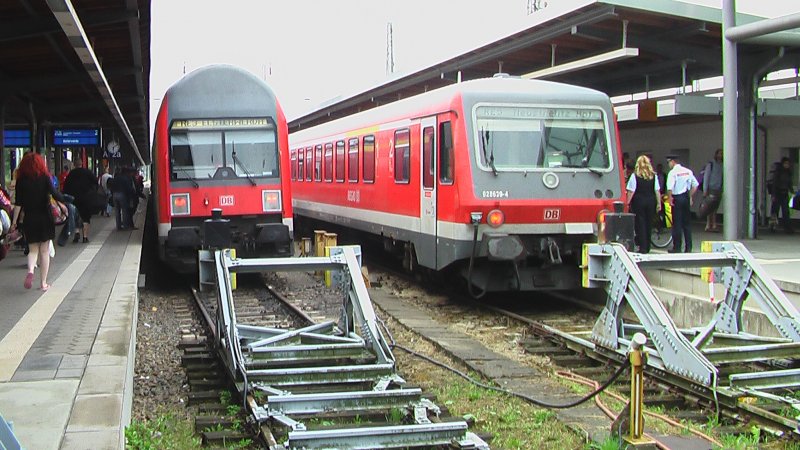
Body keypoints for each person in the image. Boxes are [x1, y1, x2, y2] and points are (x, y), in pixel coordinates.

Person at [10, 152, 67, 291]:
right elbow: (55, 194)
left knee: (33, 250)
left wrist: (14, 222)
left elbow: (18, 204)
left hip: (30, 218)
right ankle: (43, 283)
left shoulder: (21, 181)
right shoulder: (45, 178)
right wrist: (65, 200)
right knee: (44, 250)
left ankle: (30, 271)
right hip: (45, 217)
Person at [626, 155, 661, 254]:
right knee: (649, 223)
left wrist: (627, 203)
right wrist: (659, 203)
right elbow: (657, 190)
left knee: (640, 224)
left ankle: (643, 247)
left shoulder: (635, 176)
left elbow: (631, 191)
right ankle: (648, 246)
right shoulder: (654, 176)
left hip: (639, 201)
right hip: (651, 201)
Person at [666, 155, 699, 253]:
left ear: (673, 162)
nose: (668, 164)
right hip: (685, 197)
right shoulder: (688, 171)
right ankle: (688, 247)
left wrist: (670, 199)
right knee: (687, 224)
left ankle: (677, 247)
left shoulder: (672, 173)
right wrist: (690, 196)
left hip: (677, 199)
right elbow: (695, 185)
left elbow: (669, 188)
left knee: (677, 224)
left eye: (669, 162)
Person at [63, 158, 98, 243]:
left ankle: (77, 233)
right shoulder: (87, 172)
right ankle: (85, 237)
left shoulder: (71, 174)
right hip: (86, 198)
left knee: (75, 216)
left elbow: (65, 187)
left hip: (74, 199)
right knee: (86, 217)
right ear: (82, 164)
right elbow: (96, 182)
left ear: (74, 165)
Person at [770, 157, 794, 234]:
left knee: (786, 211)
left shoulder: (788, 173)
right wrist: (773, 195)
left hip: (785, 193)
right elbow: (774, 184)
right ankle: (773, 226)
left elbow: (790, 183)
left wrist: (792, 191)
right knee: (775, 211)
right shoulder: (778, 172)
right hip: (777, 193)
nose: (787, 165)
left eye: (788, 164)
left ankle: (787, 228)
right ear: (783, 164)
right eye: (786, 164)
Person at [701, 149, 723, 232]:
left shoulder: (722, 165)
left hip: (718, 188)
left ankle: (714, 224)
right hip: (711, 188)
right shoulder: (711, 164)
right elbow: (706, 177)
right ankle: (708, 224)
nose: (720, 155)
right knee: (709, 206)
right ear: (716, 154)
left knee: (715, 208)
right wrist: (705, 189)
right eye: (719, 154)